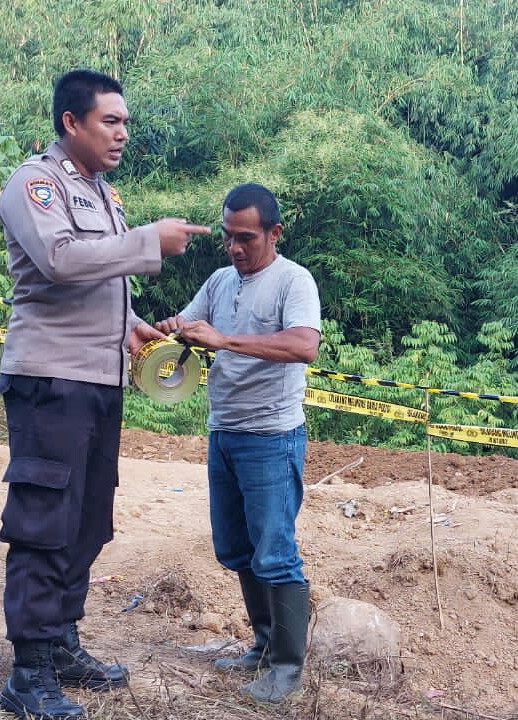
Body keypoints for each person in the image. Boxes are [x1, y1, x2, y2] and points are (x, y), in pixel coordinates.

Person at [0, 69, 211, 720]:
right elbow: (59, 261)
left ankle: (61, 642)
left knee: (87, 519)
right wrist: (149, 243)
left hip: (99, 380)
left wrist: (133, 327)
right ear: (71, 123)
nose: (121, 134)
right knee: (44, 522)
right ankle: (27, 675)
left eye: (125, 123)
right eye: (109, 121)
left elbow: (97, 282)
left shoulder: (103, 194)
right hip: (50, 379)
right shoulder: (36, 184)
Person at [154, 183, 321, 704]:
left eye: (246, 237)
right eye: (228, 237)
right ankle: (265, 647)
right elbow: (191, 322)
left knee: (275, 553)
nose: (235, 247)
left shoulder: (295, 281)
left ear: (274, 233)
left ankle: (289, 669)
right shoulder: (221, 281)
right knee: (237, 549)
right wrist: (172, 330)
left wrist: (223, 341)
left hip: (272, 437)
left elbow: (303, 345)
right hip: (224, 432)